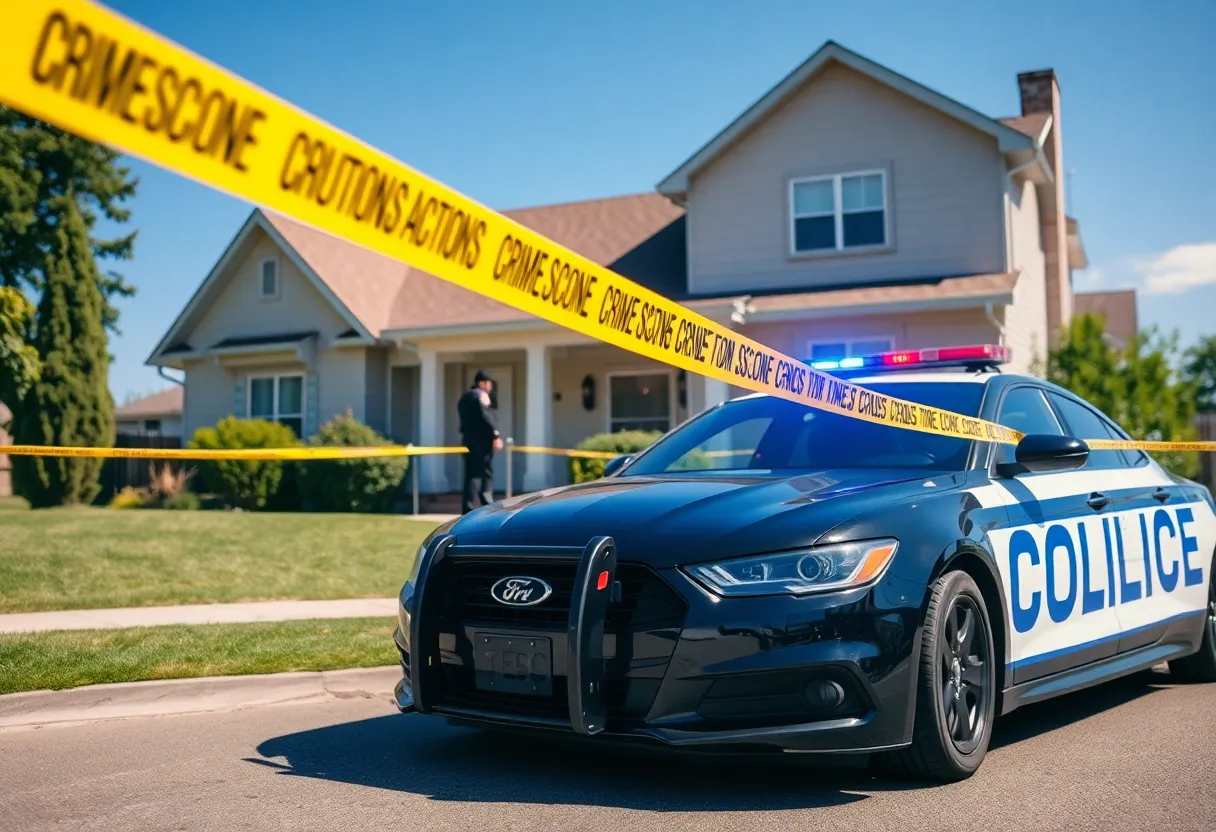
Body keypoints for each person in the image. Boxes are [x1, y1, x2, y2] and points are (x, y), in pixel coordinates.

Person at [457, 370, 504, 514]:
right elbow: (486, 417)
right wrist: (495, 435)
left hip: (468, 440)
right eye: (488, 383)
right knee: (485, 473)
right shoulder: (481, 395)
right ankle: (487, 503)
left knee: (471, 475)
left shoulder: (464, 398)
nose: (490, 386)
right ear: (482, 383)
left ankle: (468, 508)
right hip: (482, 442)